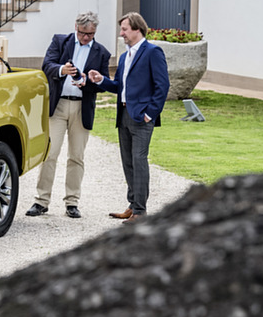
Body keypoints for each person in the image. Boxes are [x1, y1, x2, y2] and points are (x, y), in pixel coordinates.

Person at [25, 11, 110, 219]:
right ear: (76, 27)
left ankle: (72, 202)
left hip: (82, 107)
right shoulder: (60, 41)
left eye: (90, 34)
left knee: (76, 157)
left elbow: (103, 84)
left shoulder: (102, 52)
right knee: (50, 153)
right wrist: (63, 69)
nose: (86, 37)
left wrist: (89, 81)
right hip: (59, 105)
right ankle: (41, 201)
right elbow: (47, 65)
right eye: (83, 33)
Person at [88, 11, 170, 223]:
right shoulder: (124, 56)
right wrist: (100, 80)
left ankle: (140, 212)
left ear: (137, 29)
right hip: (123, 114)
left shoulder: (153, 52)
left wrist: (150, 114)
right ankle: (132, 206)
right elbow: (119, 86)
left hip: (142, 118)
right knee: (128, 162)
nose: (121, 33)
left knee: (139, 161)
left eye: (124, 29)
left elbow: (162, 86)